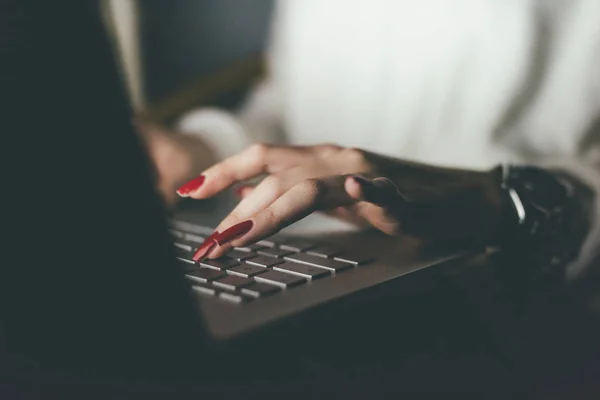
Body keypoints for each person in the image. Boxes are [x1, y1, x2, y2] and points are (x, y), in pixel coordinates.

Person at [143, 0, 600, 316]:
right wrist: (203, 150)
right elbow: (291, 106)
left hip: (512, 296)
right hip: (300, 265)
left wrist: (498, 201)